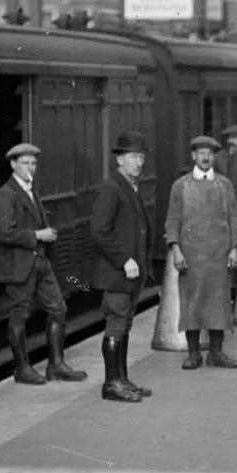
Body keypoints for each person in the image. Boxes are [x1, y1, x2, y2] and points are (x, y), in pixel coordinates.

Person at [0, 143, 87, 385]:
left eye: (33, 163)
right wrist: (38, 235)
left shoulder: (31, 192)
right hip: (19, 266)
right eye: (25, 163)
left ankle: (56, 366)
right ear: (13, 165)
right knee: (19, 315)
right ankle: (22, 369)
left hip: (40, 262)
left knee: (58, 309)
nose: (30, 167)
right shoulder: (6, 194)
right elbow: (5, 233)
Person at [165, 135, 237, 370]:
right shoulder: (180, 186)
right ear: (193, 156)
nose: (206, 157)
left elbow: (233, 218)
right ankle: (193, 354)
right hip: (190, 256)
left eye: (209, 153)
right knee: (191, 302)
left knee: (218, 302)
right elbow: (172, 220)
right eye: (201, 153)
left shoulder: (224, 184)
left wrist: (234, 248)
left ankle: (216, 353)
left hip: (219, 255)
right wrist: (176, 250)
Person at [90, 130, 154, 403]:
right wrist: (123, 259)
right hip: (117, 274)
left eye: (140, 157)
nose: (138, 162)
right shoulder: (111, 188)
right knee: (116, 325)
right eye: (132, 157)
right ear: (119, 160)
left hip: (131, 274)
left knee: (124, 324)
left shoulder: (129, 187)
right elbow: (98, 231)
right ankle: (111, 384)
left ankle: (122, 379)